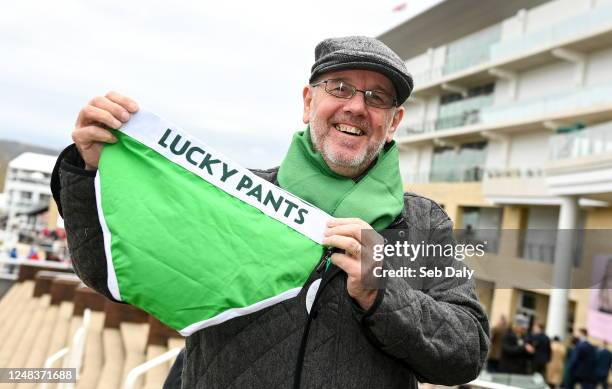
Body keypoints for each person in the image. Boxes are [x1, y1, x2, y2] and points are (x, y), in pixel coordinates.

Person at [51, 36, 490, 388]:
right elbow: (111, 269)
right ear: (308, 102)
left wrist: (382, 294)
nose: (357, 106)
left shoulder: (422, 224)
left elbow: (466, 353)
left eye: (377, 98)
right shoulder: (240, 196)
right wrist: (92, 172)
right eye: (339, 88)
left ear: (393, 122)